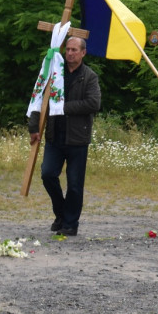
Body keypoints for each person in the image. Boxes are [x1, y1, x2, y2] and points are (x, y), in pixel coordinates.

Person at [28, 36, 101, 237]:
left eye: (74, 50)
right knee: (48, 174)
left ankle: (70, 223)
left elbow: (93, 103)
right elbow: (39, 98)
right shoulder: (54, 73)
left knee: (75, 184)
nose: (70, 53)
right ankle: (61, 213)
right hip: (54, 135)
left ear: (83, 52)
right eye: (67, 49)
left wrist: (63, 107)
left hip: (77, 138)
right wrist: (34, 126)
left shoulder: (89, 76)